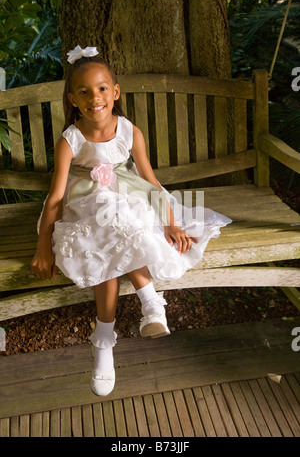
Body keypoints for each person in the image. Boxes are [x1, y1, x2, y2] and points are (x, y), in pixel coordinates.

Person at [31, 45, 232, 397]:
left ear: (115, 92)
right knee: (106, 224)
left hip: (130, 193)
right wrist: (42, 246)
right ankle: (147, 304)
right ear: (73, 100)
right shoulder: (71, 140)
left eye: (102, 88)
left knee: (124, 222)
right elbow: (56, 198)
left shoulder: (129, 131)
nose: (95, 98)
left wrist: (170, 222)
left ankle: (105, 337)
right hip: (84, 204)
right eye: (84, 92)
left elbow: (151, 182)